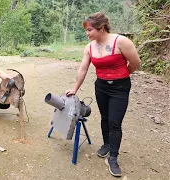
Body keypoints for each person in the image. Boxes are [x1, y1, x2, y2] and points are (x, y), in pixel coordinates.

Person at [65, 12, 141, 177]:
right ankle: (107, 144)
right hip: (101, 87)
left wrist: (121, 76)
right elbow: (83, 69)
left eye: (90, 30)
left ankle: (113, 157)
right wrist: (75, 89)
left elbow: (136, 62)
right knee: (105, 118)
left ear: (101, 28)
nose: (87, 33)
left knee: (115, 122)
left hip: (120, 88)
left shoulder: (120, 41)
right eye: (86, 30)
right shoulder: (90, 47)